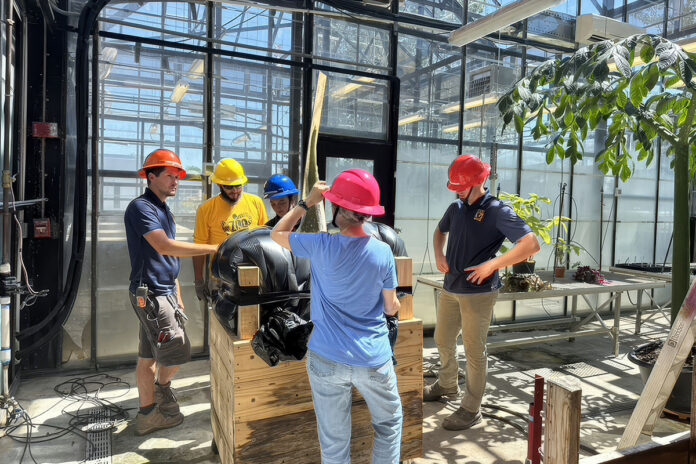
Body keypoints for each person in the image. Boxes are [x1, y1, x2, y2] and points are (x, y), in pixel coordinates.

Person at [271, 170, 403, 464]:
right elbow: (391, 306)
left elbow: (277, 234)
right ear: (368, 213)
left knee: (333, 441)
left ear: (339, 209)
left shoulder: (321, 245)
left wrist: (306, 203)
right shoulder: (383, 253)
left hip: (325, 358)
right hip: (373, 359)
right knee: (389, 425)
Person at [425, 154, 540, 431]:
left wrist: (493, 264)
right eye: (454, 187)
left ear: (479, 182)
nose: (458, 192)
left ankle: (471, 408)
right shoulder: (457, 208)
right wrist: (439, 253)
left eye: (461, 186)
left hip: (478, 293)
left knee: (474, 350)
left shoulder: (497, 210)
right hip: (451, 287)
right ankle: (447, 383)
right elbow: (440, 232)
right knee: (442, 339)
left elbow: (531, 244)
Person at [124, 149, 219, 436]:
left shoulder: (163, 209)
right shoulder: (141, 208)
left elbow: (168, 259)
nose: (176, 180)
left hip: (161, 292)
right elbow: (164, 246)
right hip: (151, 294)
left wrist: (177, 294)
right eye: (169, 175)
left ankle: (148, 413)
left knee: (148, 357)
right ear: (150, 177)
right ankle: (160, 394)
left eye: (177, 175)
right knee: (178, 351)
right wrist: (214, 248)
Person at [192, 158, 269, 301]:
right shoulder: (206, 209)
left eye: (238, 186)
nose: (234, 191)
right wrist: (199, 281)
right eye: (229, 187)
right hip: (221, 277)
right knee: (222, 320)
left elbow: (265, 238)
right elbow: (199, 248)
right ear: (220, 185)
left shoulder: (255, 203)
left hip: (253, 272)